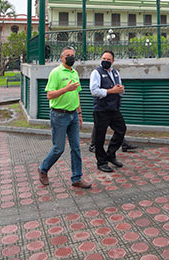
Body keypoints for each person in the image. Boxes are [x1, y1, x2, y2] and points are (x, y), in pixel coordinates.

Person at [38, 48, 91, 188]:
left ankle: (77, 178)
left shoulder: (74, 73)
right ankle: (43, 169)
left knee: (76, 148)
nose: (71, 58)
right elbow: (49, 95)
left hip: (73, 115)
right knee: (58, 148)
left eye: (73, 55)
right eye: (68, 56)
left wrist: (79, 113)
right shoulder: (56, 73)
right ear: (61, 58)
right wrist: (65, 89)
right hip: (59, 115)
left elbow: (77, 94)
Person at [89, 50, 127, 173]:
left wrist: (121, 90)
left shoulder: (115, 72)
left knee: (121, 129)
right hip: (101, 109)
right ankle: (101, 162)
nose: (105, 61)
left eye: (108, 59)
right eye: (104, 59)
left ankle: (111, 154)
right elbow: (94, 91)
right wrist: (111, 91)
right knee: (100, 137)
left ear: (113, 61)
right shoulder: (96, 72)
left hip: (114, 108)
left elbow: (119, 88)